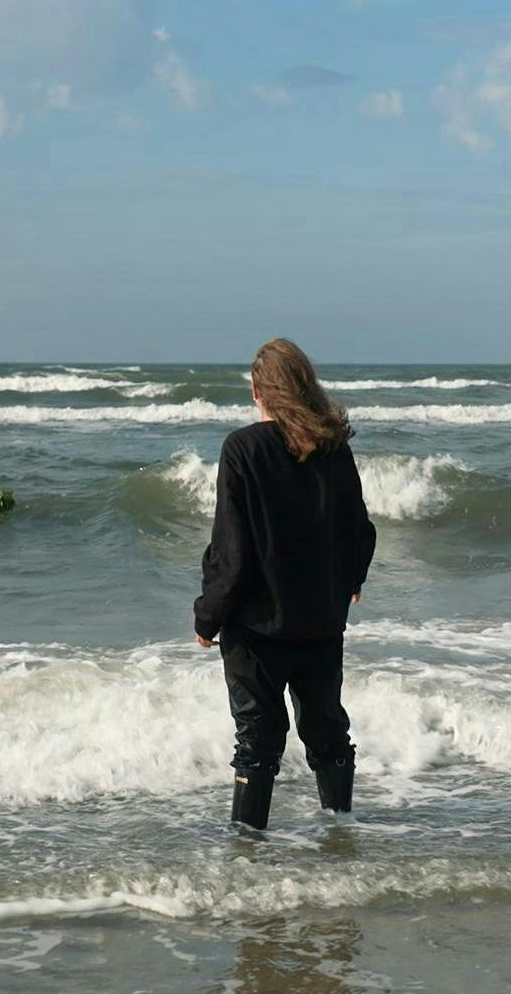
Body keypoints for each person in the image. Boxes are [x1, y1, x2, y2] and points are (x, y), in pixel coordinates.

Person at [193, 338, 376, 830]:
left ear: (258, 390)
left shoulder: (242, 449)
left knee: (257, 741)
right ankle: (340, 835)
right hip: (320, 620)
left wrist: (207, 615)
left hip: (255, 627)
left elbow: (233, 551)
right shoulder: (333, 448)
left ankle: (249, 851)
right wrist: (351, 578)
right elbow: (360, 526)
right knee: (328, 733)